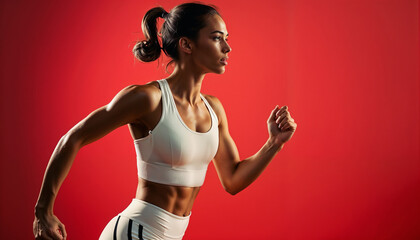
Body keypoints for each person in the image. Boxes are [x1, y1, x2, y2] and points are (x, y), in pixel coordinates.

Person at [33, 2, 297, 240]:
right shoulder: (149, 99)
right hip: (135, 231)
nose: (227, 47)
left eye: (226, 39)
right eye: (217, 38)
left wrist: (274, 143)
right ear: (187, 45)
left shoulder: (214, 109)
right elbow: (74, 137)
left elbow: (233, 180)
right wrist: (43, 209)